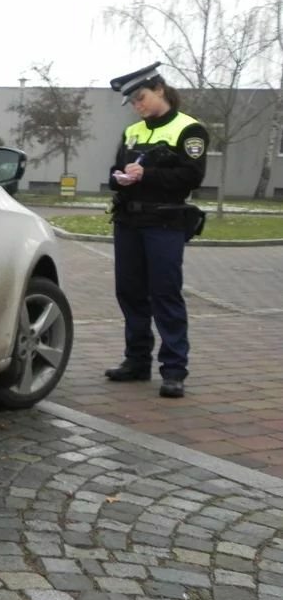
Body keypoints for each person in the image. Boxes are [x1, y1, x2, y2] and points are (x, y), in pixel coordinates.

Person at [103, 62, 209, 398]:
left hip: (164, 223)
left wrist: (145, 176)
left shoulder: (188, 129)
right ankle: (136, 361)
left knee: (165, 293)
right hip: (129, 222)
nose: (138, 105)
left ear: (159, 89)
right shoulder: (133, 131)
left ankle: (174, 370)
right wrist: (119, 178)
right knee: (130, 293)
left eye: (141, 97)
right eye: (133, 102)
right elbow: (116, 169)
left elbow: (191, 177)